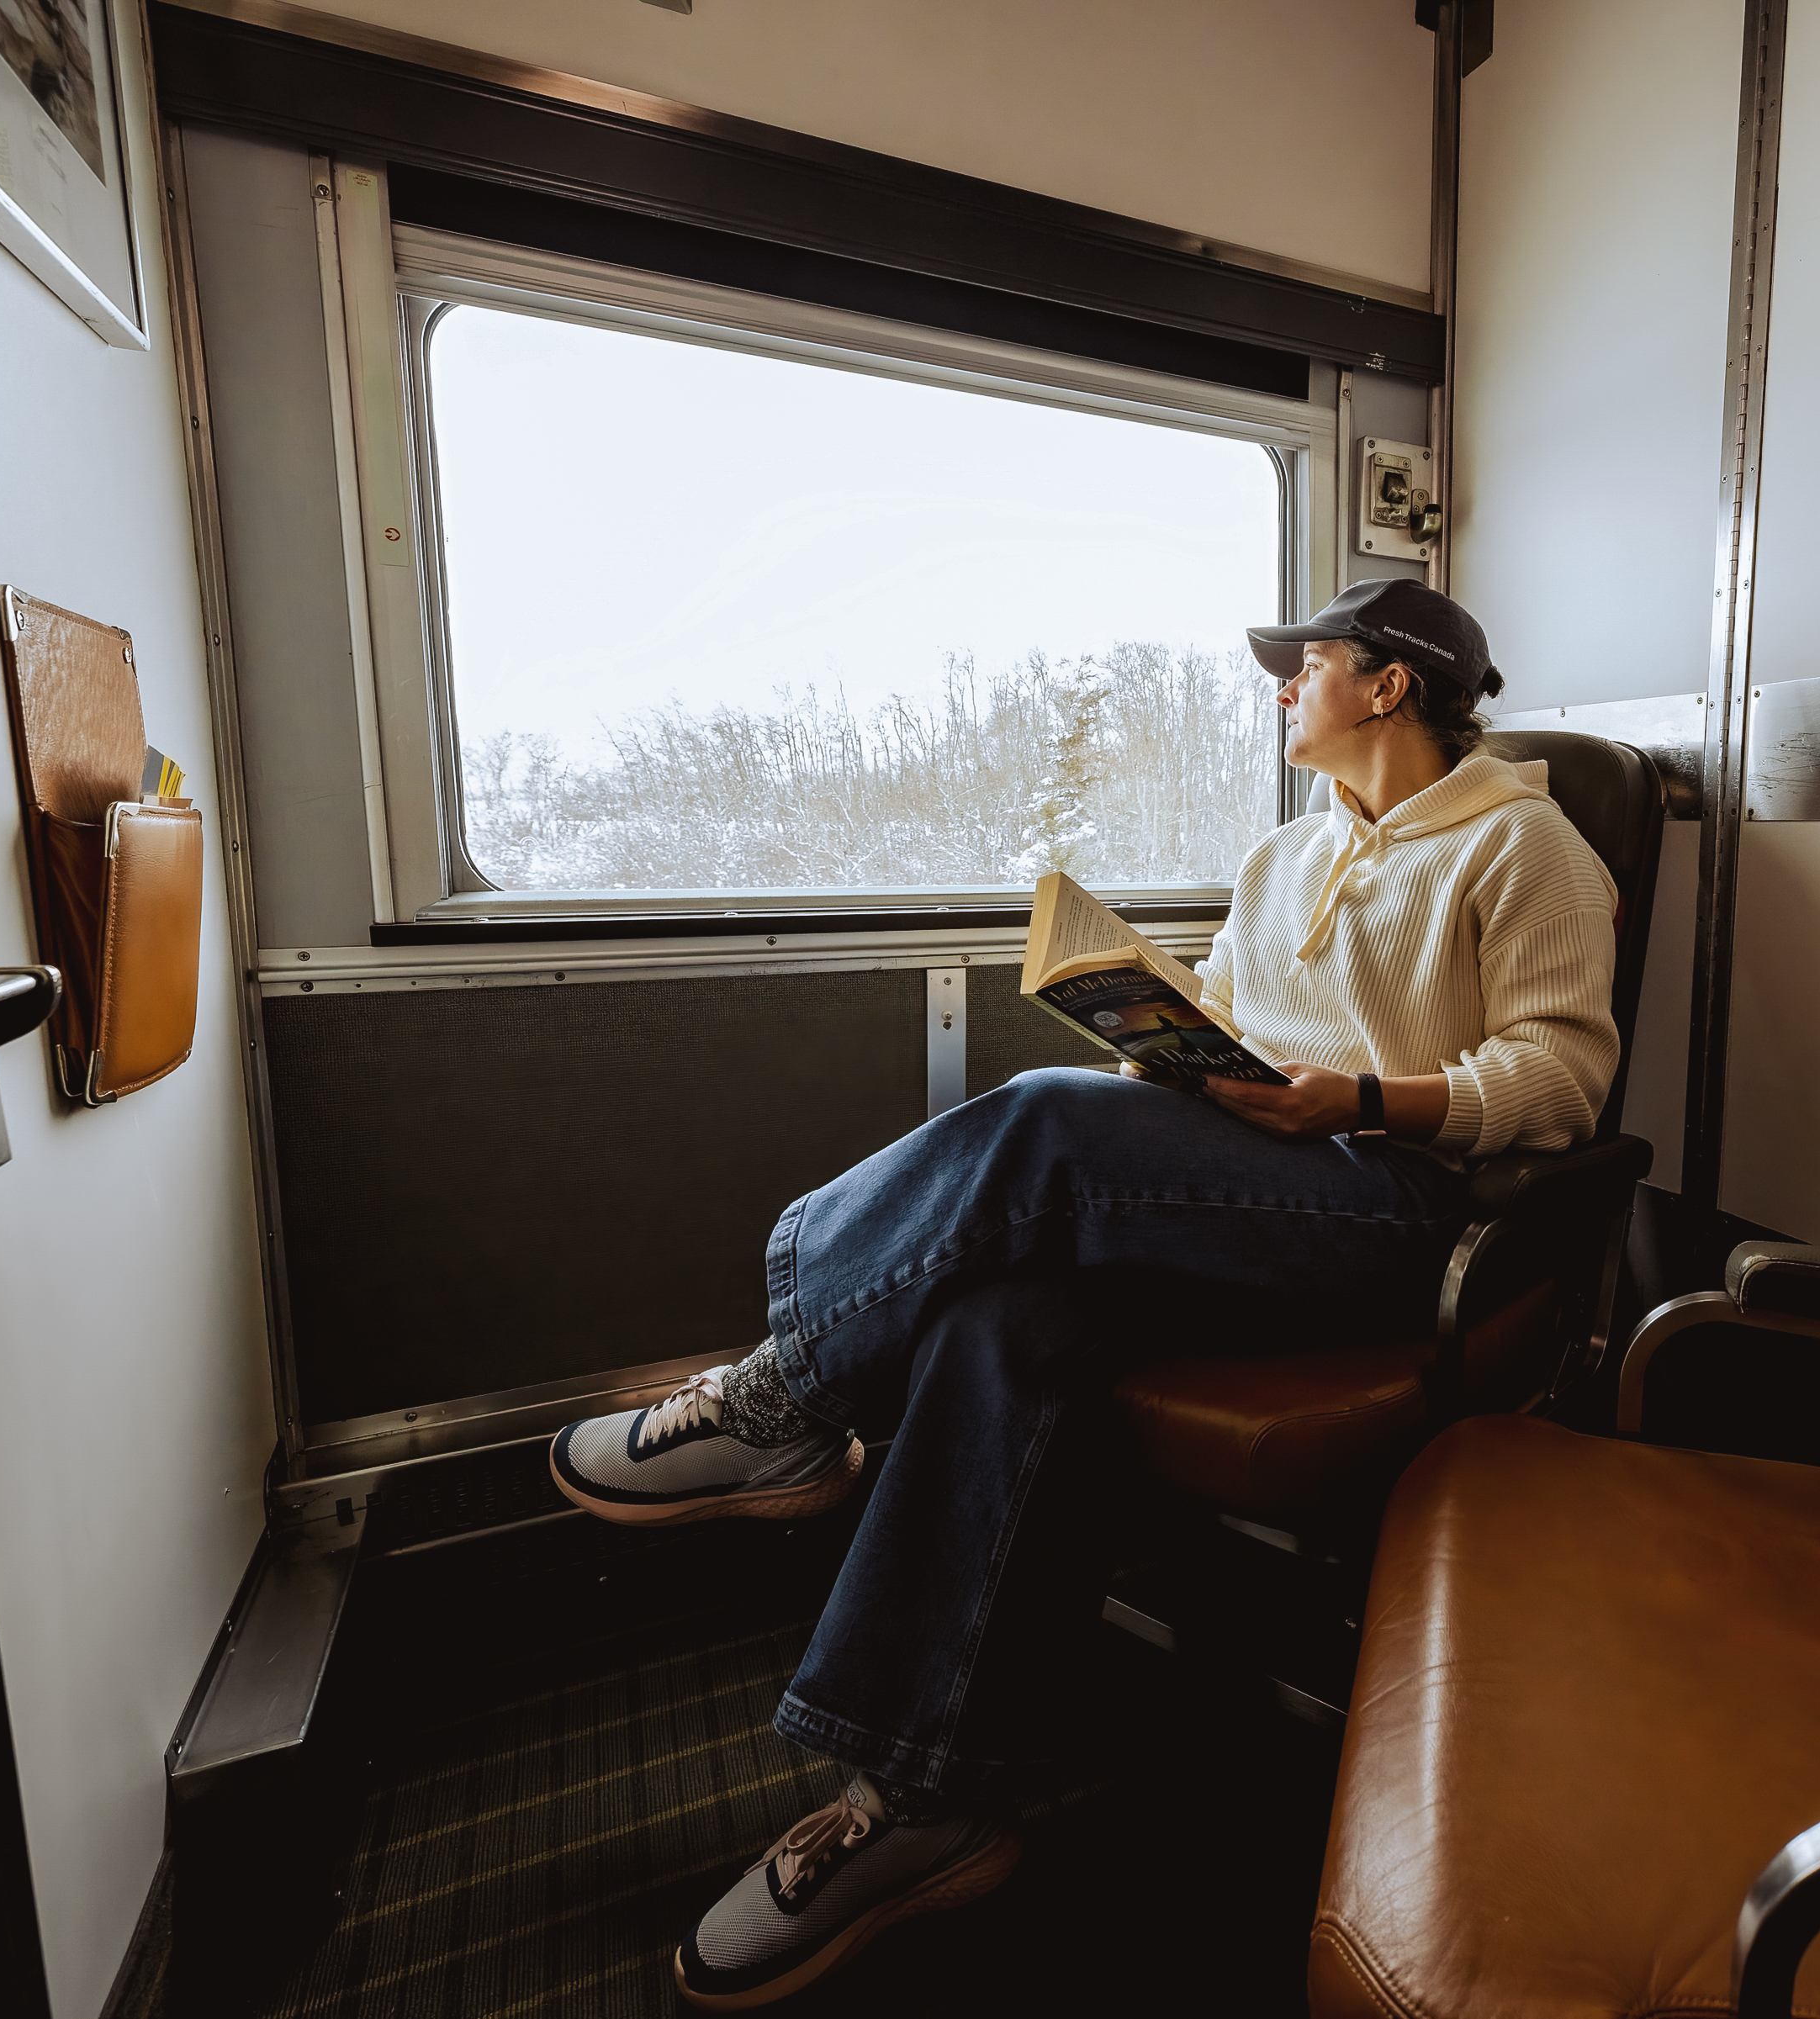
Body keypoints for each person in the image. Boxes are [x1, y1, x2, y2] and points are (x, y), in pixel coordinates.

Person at [544, 579, 1619, 2008]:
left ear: (1390, 687)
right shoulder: (1284, 853)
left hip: (1396, 1205)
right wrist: (1170, 1070)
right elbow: (1234, 1023)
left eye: (1307, 666)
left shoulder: (1530, 850)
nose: (1283, 686)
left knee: (1041, 1125)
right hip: (1256, 1186)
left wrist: (1358, 1095)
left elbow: (1563, 1080)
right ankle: (917, 1798)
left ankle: (785, 1388)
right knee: (1003, 1320)